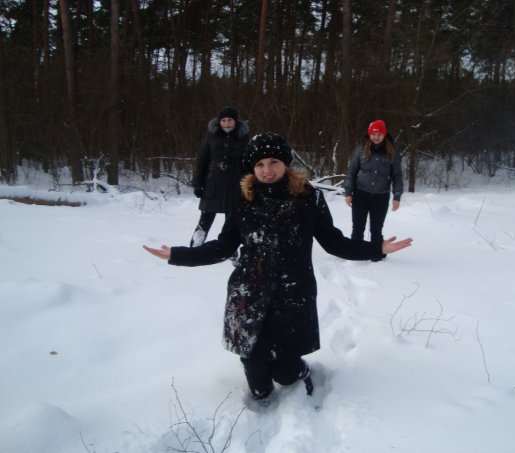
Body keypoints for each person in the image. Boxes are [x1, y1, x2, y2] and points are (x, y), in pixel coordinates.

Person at [144, 132, 413, 409]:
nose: (267, 170)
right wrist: (178, 254)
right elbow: (224, 246)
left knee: (286, 374)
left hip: (291, 295)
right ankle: (258, 385)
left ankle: (300, 370)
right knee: (259, 384)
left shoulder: (308, 198)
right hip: (249, 293)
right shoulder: (242, 199)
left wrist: (376, 248)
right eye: (260, 165)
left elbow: (335, 243)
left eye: (273, 162)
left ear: (286, 163)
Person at [190, 106, 249, 248]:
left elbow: (248, 163)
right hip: (213, 183)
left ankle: (229, 249)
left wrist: (250, 184)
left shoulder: (243, 137)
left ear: (236, 121)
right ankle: (195, 247)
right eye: (223, 120)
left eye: (230, 120)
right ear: (219, 121)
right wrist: (198, 183)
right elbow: (202, 160)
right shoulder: (211, 136)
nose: (226, 123)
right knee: (206, 217)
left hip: (235, 183)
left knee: (232, 219)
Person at [344, 120, 404, 261]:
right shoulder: (361, 149)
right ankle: (355, 253)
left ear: (384, 134)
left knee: (376, 229)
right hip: (361, 194)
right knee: (358, 228)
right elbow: (352, 171)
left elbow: (397, 175)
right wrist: (348, 192)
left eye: (379, 134)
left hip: (381, 197)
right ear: (370, 134)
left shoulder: (392, 151)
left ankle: (376, 256)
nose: (376, 137)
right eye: (374, 134)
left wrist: (397, 196)